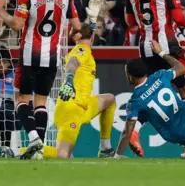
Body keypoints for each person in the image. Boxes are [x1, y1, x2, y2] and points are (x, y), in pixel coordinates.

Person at [0, 0, 83, 160]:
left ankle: (34, 138)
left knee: (21, 98)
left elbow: (16, 25)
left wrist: (0, 9)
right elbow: (77, 27)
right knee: (40, 101)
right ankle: (38, 152)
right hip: (52, 56)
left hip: (29, 54)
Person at [124, 0, 185, 157]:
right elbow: (178, 17)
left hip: (145, 45)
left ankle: (135, 131)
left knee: (148, 93)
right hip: (167, 44)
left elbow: (130, 24)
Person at [24, 24, 117, 159]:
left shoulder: (79, 49)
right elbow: (73, 62)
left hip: (83, 106)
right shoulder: (81, 50)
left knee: (110, 99)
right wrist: (69, 80)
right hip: (71, 110)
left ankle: (105, 150)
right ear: (92, 38)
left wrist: (90, 26)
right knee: (62, 155)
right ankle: (15, 151)